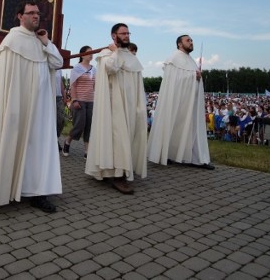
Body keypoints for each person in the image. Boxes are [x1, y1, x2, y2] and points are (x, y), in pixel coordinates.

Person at [0, 1, 63, 213]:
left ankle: (38, 193)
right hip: (17, 106)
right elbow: (7, 80)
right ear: (20, 16)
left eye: (37, 13)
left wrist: (47, 41)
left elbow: (57, 63)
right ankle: (6, 189)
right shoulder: (12, 41)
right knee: (13, 143)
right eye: (31, 13)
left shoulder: (42, 41)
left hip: (40, 109)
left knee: (39, 149)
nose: (35, 16)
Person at [86, 24, 148, 194]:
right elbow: (111, 69)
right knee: (117, 138)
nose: (127, 35)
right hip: (115, 105)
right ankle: (118, 176)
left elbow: (136, 83)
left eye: (128, 33)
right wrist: (115, 52)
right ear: (114, 36)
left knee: (126, 137)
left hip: (131, 105)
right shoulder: (107, 53)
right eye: (123, 33)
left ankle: (119, 170)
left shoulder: (131, 56)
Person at [147, 35, 214, 170]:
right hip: (177, 102)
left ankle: (194, 158)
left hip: (190, 103)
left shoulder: (190, 61)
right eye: (188, 40)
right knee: (173, 125)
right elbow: (173, 81)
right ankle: (166, 154)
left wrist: (196, 78)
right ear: (179, 44)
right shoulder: (174, 59)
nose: (191, 42)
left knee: (192, 128)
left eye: (191, 40)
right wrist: (192, 76)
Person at [63, 45, 96, 158]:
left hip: (91, 101)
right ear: (82, 54)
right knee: (79, 125)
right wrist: (74, 100)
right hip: (80, 100)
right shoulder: (77, 68)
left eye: (92, 53)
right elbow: (73, 85)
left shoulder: (94, 69)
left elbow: (95, 86)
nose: (91, 54)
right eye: (89, 52)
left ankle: (87, 151)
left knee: (89, 126)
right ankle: (67, 141)